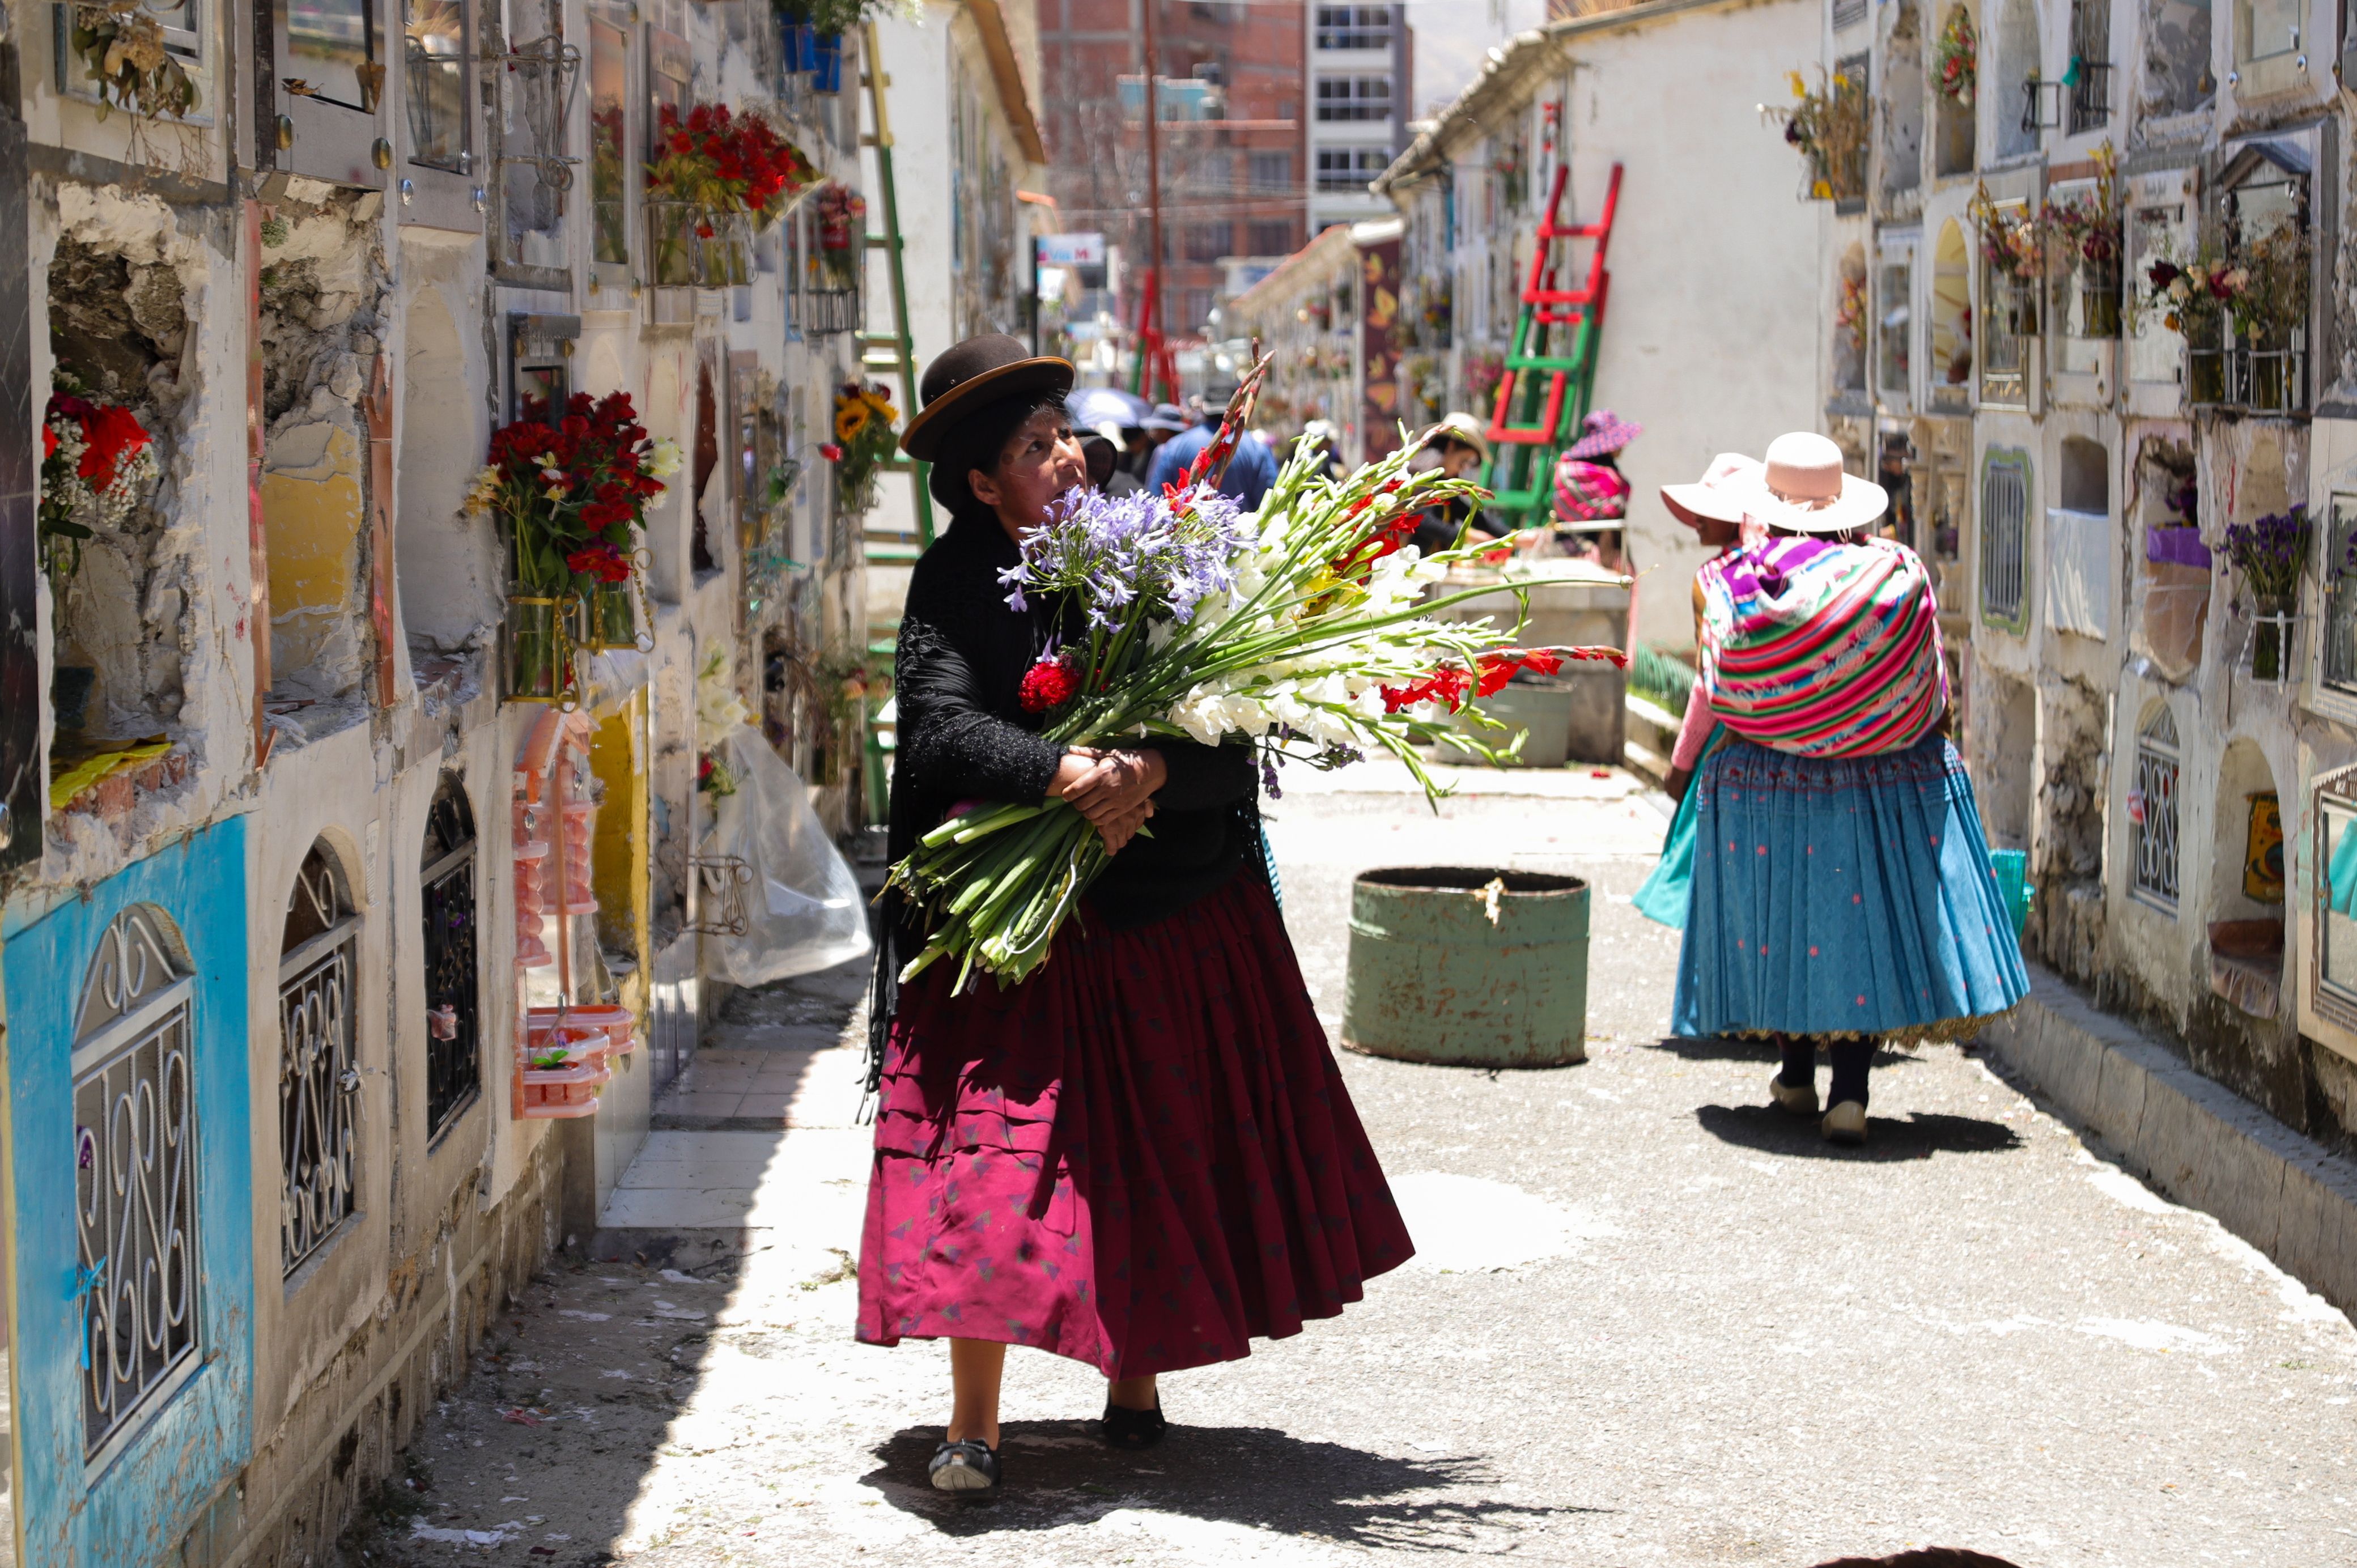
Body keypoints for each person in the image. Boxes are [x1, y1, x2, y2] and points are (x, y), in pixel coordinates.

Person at [864, 333, 1413, 1496]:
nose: (1068, 458)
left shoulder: (1155, 552)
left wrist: (1150, 771)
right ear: (981, 484)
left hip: (1168, 913)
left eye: (1064, 434)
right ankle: (974, 1424)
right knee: (997, 1168)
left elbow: (1237, 735)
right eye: (1034, 447)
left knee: (1154, 1142)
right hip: (1016, 938)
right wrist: (1066, 774)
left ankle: (1135, 1379)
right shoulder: (954, 579)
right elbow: (942, 730)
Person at [1672, 431, 2027, 1147]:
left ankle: (1796, 1074)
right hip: (1880, 776)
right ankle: (1851, 1094)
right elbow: (1933, 688)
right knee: (1855, 926)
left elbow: (1718, 684)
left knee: (1782, 923)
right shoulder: (1897, 571)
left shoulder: (1731, 580)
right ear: (1845, 506)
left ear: (1768, 507)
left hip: (1765, 777)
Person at [1630, 452, 1761, 930]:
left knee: (1703, 886)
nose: (1696, 520)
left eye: (1710, 509)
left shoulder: (1714, 580)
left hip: (1728, 738)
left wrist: (1682, 762)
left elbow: (1709, 681)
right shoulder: (1789, 568)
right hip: (1791, 731)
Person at [1147, 401, 1278, 509]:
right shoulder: (1258, 449)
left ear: (1204, 408)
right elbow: (1269, 501)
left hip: (1187, 531)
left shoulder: (1174, 446)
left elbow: (1156, 500)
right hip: (1243, 531)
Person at [1554, 409, 1640, 570]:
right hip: (1602, 556)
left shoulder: (1567, 471)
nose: (1623, 446)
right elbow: (1612, 521)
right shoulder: (1610, 479)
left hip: (1564, 549)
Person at [1407, 410, 1498, 555]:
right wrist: (1468, 536)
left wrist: (1512, 535)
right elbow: (1421, 519)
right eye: (1463, 462)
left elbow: (1472, 516)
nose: (1463, 469)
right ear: (1451, 447)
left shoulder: (1443, 483)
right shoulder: (1419, 478)